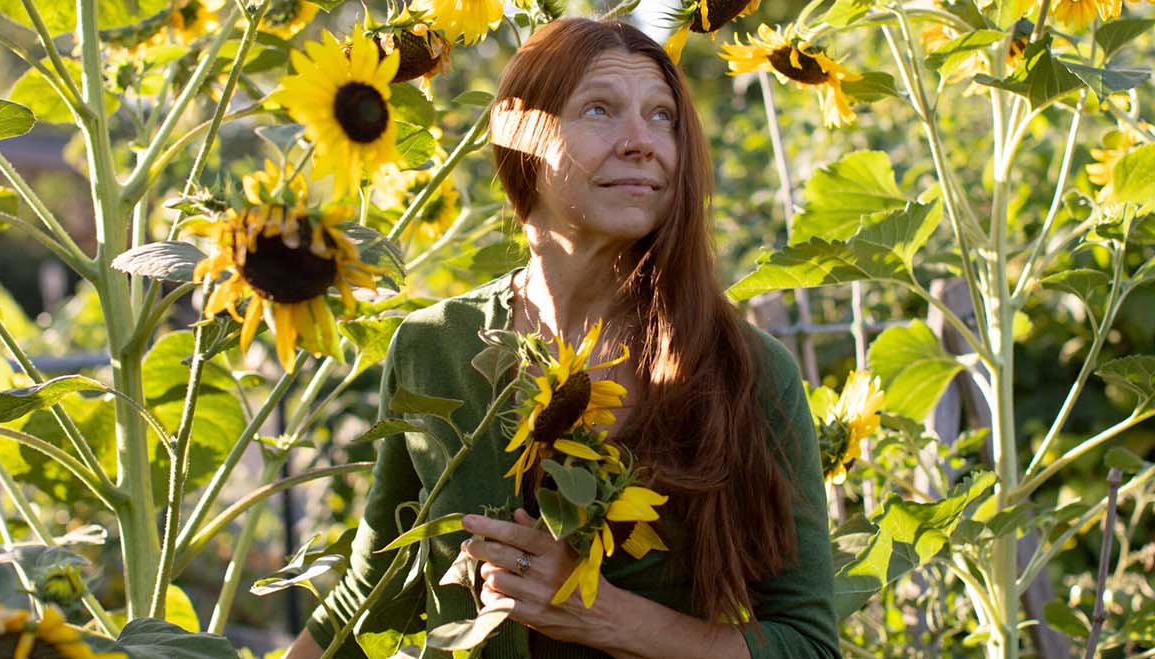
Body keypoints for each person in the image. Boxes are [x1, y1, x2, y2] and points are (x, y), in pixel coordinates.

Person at [286, 17, 840, 659]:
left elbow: (807, 644)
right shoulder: (433, 348)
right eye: (600, 109)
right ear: (517, 134)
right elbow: (374, 590)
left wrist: (605, 616)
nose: (642, 142)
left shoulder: (746, 370)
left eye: (663, 117)